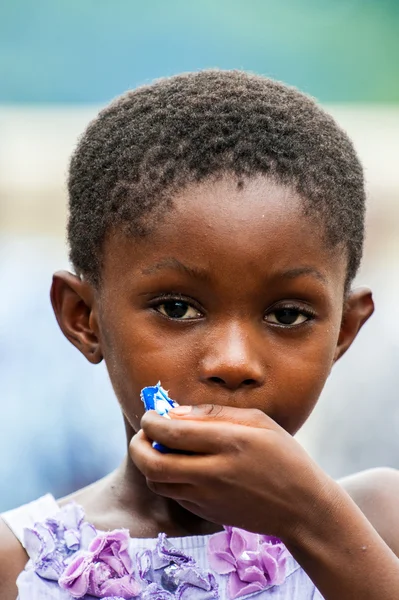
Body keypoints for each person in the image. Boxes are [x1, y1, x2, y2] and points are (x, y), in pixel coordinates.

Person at [1, 70, 398, 600]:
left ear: (344, 331)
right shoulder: (20, 566)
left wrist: (313, 521)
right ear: (83, 318)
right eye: (177, 307)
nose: (234, 362)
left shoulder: (376, 523)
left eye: (286, 316)